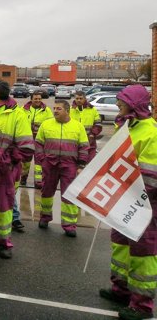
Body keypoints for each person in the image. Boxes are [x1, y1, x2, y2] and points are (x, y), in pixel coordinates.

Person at [99, 85, 157, 320]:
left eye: (122, 101)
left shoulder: (150, 132)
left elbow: (151, 175)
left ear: (134, 104)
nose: (117, 105)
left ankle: (142, 305)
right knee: (120, 244)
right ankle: (121, 290)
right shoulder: (125, 126)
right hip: (123, 200)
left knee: (143, 252)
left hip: (144, 205)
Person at [0, 80, 34, 259]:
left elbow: (26, 148)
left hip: (5, 171)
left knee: (5, 208)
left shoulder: (17, 114)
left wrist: (7, 161)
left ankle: (5, 243)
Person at [35, 100, 89, 236]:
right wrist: (42, 159)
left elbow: (84, 147)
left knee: (69, 194)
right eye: (54, 108)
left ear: (67, 111)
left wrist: (81, 165)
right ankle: (45, 218)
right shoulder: (46, 124)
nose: (55, 111)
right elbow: (38, 144)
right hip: (50, 165)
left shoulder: (78, 126)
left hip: (69, 166)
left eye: (58, 108)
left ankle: (69, 225)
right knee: (46, 192)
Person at [21, 91, 53, 187]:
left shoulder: (47, 110)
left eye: (39, 99)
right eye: (35, 99)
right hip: (27, 140)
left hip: (40, 141)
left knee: (39, 161)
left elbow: (50, 125)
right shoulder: (23, 109)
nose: (38, 100)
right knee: (25, 161)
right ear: (31, 99)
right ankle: (23, 179)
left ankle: (38, 182)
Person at [70, 90, 103, 163]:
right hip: (74, 141)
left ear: (85, 99)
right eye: (77, 98)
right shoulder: (70, 110)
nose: (78, 100)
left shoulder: (92, 110)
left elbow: (98, 124)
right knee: (74, 163)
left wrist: (92, 134)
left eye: (81, 98)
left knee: (90, 163)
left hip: (89, 141)